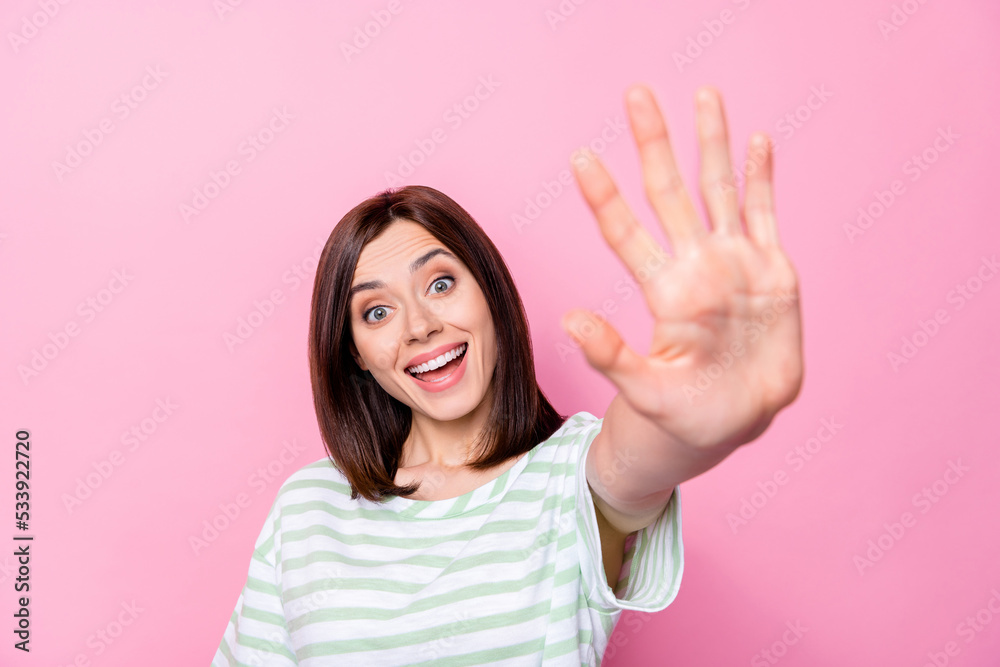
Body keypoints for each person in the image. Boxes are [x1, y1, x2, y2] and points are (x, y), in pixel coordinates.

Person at [211, 84, 803, 666]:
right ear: (356, 354)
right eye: (377, 312)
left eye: (441, 283)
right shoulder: (309, 507)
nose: (420, 326)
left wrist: (691, 407)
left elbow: (634, 466)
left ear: (489, 292)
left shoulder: (568, 476)